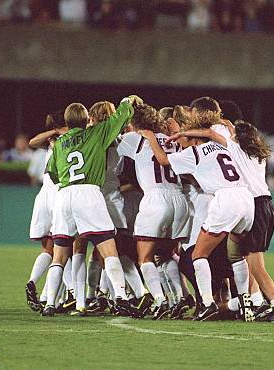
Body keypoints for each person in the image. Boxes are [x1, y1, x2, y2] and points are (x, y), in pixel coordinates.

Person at [170, 119, 274, 322]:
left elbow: (210, 134)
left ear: (238, 138)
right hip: (264, 204)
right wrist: (225, 123)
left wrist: (183, 132)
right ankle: (250, 301)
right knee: (237, 255)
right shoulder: (258, 154)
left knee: (255, 264)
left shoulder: (235, 148)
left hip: (253, 204)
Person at [140, 107, 255, 322]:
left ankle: (208, 305)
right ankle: (245, 303)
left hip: (225, 199)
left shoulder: (193, 152)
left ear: (192, 138)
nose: (181, 141)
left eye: (185, 137)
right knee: (238, 256)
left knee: (197, 256)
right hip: (246, 199)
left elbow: (163, 160)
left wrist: (150, 138)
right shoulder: (220, 145)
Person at [40, 95, 139, 317]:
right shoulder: (96, 133)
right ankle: (121, 298)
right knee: (108, 248)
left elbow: (52, 173)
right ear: (86, 120)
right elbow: (121, 117)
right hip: (89, 193)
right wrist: (127, 101)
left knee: (59, 255)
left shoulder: (59, 143)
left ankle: (49, 304)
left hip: (64, 196)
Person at [118, 103, 190, 320]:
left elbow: (109, 146)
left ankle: (159, 300)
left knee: (145, 257)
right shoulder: (172, 141)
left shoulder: (136, 139)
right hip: (179, 199)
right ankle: (177, 299)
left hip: (156, 199)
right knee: (166, 253)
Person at [25, 112, 68, 312]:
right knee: (65, 249)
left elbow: (32, 141)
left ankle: (33, 282)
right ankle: (58, 298)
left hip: (44, 196)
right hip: (60, 197)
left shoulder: (50, 143)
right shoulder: (68, 141)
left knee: (48, 249)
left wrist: (53, 132)